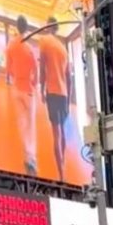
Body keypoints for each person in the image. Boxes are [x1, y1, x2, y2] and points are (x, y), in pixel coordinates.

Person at [36, 17, 71, 181]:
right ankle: (62, 162)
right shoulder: (63, 48)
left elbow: (42, 69)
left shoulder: (44, 41)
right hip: (63, 94)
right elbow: (68, 77)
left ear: (47, 26)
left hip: (52, 92)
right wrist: (69, 98)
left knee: (55, 133)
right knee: (62, 132)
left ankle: (61, 174)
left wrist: (42, 90)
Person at [6, 16, 40, 176]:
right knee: (31, 124)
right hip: (28, 89)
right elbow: (36, 70)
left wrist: (16, 76)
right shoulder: (29, 47)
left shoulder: (10, 45)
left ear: (16, 26)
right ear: (26, 28)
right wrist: (34, 81)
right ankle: (31, 158)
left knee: (22, 123)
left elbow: (8, 69)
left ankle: (27, 152)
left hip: (17, 88)